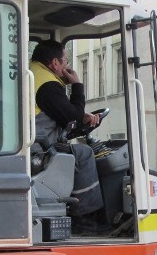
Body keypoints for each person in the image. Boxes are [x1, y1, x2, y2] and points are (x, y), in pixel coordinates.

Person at [29, 39, 105, 234]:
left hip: (29, 144)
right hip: (38, 149)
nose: (67, 66)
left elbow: (66, 116)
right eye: (65, 62)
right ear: (55, 63)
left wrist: (80, 117)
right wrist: (77, 85)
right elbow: (72, 119)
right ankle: (85, 221)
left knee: (74, 152)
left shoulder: (32, 73)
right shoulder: (48, 85)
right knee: (84, 154)